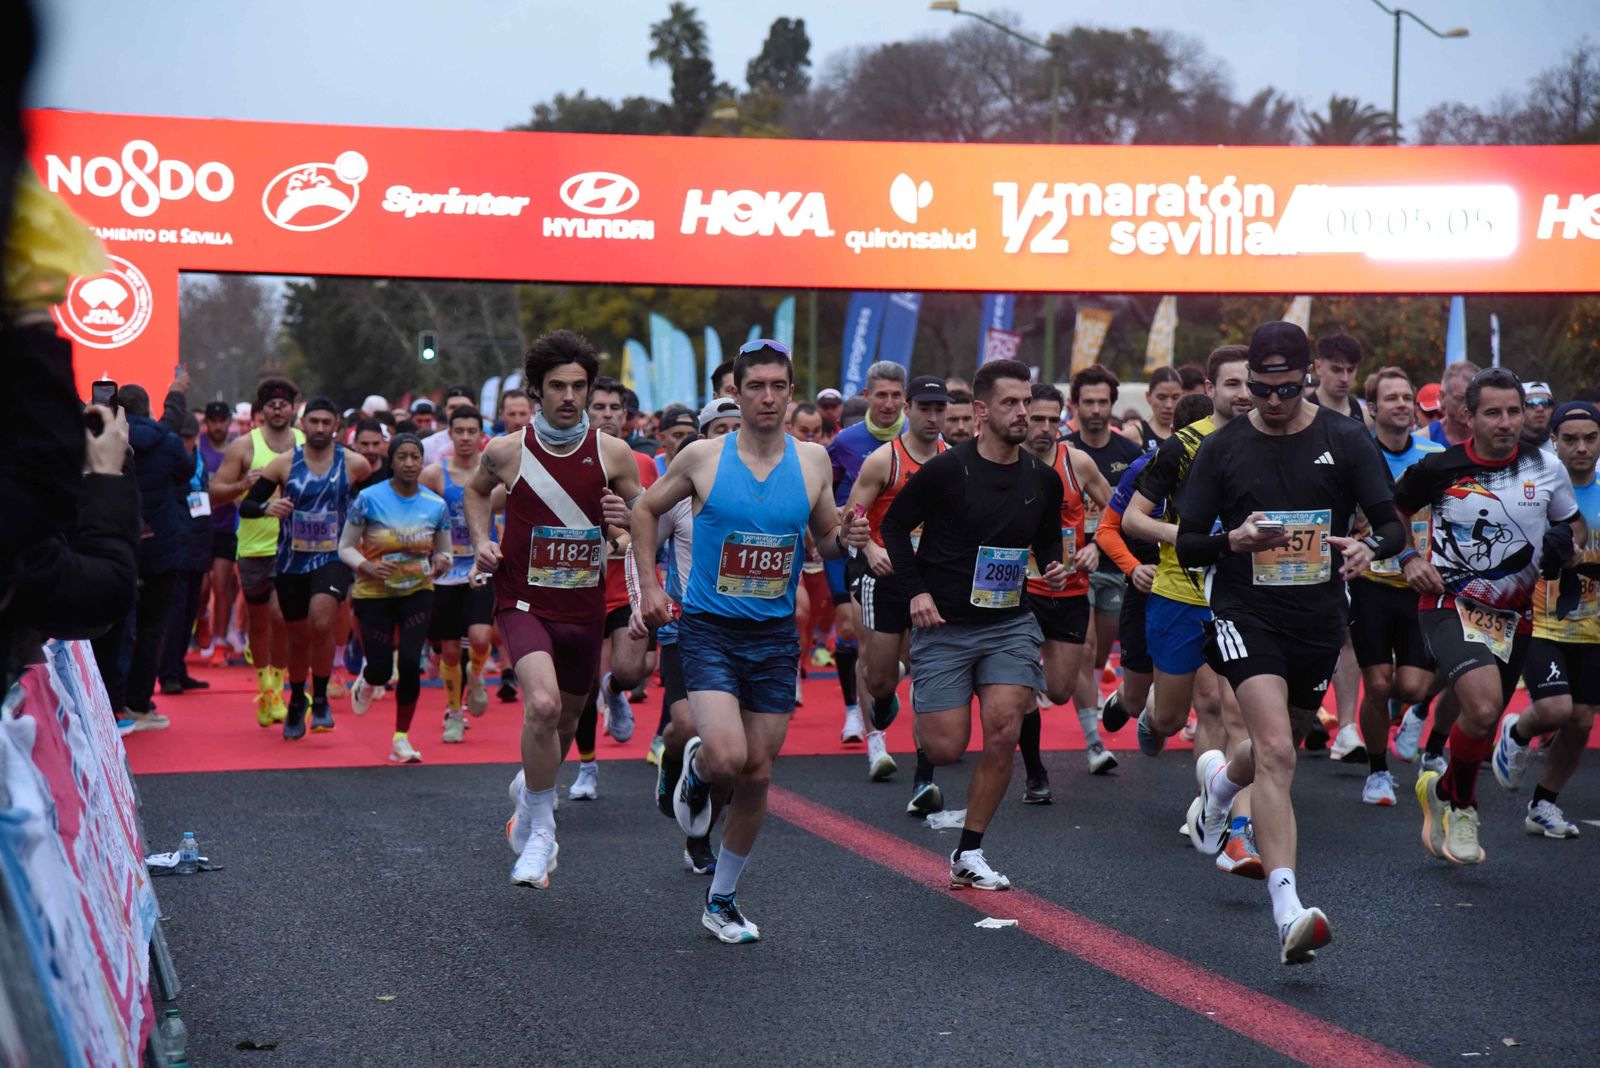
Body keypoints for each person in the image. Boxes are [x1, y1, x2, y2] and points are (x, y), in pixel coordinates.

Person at [1175, 320, 1406, 965]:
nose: (1271, 404)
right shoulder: (1222, 450)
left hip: (1318, 616)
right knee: (1278, 751)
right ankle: (1288, 913)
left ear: (1305, 378)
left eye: (1283, 390)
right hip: (1245, 610)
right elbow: (1188, 541)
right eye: (1259, 391)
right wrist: (1232, 541)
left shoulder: (1345, 438)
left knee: (1284, 738)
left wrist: (1367, 545)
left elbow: (1389, 525)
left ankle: (1217, 791)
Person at [634, 338, 866, 943]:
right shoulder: (702, 458)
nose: (768, 397)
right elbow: (642, 511)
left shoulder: (813, 462)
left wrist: (852, 533)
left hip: (773, 635)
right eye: (755, 386)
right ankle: (698, 768)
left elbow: (829, 542)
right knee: (729, 759)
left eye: (778, 387)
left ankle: (722, 899)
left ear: (792, 394)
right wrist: (650, 588)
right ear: (733, 392)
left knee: (758, 775)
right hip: (708, 629)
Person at [882, 358, 1069, 892]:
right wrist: (915, 591)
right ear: (983, 411)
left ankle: (970, 850)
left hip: (1009, 622)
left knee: (1005, 726)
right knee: (945, 748)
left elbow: (1047, 537)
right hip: (943, 623)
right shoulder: (946, 469)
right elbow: (895, 527)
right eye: (1011, 403)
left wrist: (1052, 564)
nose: (1023, 412)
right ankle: (923, 708)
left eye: (1027, 402)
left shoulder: (1042, 477)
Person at [467, 330, 641, 890]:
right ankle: (540, 831)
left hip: (584, 606)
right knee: (540, 706)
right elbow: (475, 492)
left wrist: (622, 521)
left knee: (565, 720)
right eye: (558, 386)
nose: (569, 396)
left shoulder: (613, 452)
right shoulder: (506, 450)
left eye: (579, 387)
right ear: (537, 391)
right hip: (523, 601)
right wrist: (480, 540)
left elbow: (642, 519)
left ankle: (531, 789)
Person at [1398, 368, 1583, 866]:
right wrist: (1410, 559)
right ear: (1468, 416)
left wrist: (1565, 546)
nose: (1506, 422)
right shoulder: (1440, 467)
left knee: (1482, 723)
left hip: (1515, 614)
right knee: (1480, 709)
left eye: (1513, 412)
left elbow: (1571, 525)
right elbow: (1389, 510)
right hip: (1449, 604)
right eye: (1493, 412)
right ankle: (1462, 807)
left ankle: (1440, 789)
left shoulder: (1546, 467)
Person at [1116, 347, 1253, 759]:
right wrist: (1188, 537)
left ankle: (1212, 814)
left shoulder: (1272, 444)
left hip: (1240, 596)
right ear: (1211, 388)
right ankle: (1150, 714)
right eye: (1233, 383)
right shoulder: (1181, 446)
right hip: (1179, 594)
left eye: (1251, 383)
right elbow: (1132, 519)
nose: (1245, 393)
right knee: (1171, 721)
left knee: (1221, 707)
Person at [630, 397, 742, 876]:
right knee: (689, 727)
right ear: (703, 434)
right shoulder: (681, 492)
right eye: (721, 427)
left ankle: (701, 834)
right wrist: (645, 598)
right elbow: (642, 547)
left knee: (734, 755)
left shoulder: (765, 488)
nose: (731, 435)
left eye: (738, 426)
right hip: (687, 626)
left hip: (748, 629)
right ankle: (671, 760)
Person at [1491, 400, 1600, 839]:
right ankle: (1517, 731)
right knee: (1556, 709)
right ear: (1553, 441)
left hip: (1592, 629)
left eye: (1590, 438)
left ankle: (1543, 805)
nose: (1581, 448)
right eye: (1570, 439)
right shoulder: (1535, 485)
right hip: (1540, 622)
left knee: (1581, 721)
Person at [842, 374, 949, 809]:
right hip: (884, 580)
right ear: (908, 408)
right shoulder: (884, 460)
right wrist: (869, 548)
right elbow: (849, 518)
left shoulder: (954, 460)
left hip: (931, 584)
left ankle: (923, 780)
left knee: (928, 677)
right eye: (925, 408)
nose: (933, 417)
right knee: (881, 678)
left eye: (940, 409)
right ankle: (882, 702)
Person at [241, 397, 371, 738]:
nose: (319, 428)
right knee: (297, 636)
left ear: (336, 428)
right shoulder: (284, 464)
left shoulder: (355, 464)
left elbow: (372, 503)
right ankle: (299, 699)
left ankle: (323, 697)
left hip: (333, 556)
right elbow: (249, 505)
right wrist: (268, 508)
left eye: (326, 423)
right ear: (303, 424)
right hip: (291, 560)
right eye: (313, 422)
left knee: (322, 618)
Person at [1348, 368, 1444, 806]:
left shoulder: (1433, 453)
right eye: (1392, 399)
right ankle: (1377, 771)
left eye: (1407, 397)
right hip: (1370, 583)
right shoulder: (1357, 455)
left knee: (1412, 686)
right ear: (1372, 408)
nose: (1403, 405)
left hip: (1420, 584)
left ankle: (1414, 717)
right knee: (1379, 684)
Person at [337, 434, 451, 761]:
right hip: (374, 594)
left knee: (410, 663)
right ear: (391, 460)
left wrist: (442, 564)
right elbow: (345, 546)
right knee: (382, 668)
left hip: (418, 592)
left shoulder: (435, 504)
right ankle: (369, 680)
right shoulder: (369, 499)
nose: (410, 463)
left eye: (416, 457)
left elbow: (444, 552)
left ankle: (401, 738)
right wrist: (367, 568)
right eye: (402, 457)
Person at [571, 375, 658, 798]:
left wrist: (629, 541)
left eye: (613, 409)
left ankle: (616, 691)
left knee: (630, 670)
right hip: (578, 588)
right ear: (586, 414)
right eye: (598, 408)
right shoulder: (566, 458)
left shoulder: (642, 464)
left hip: (624, 587)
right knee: (582, 687)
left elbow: (651, 520)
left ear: (626, 417)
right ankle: (587, 768)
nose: (606, 415)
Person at [1023, 383, 1113, 791]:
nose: (1044, 428)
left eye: (1051, 420)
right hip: (1017, 592)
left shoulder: (1077, 463)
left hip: (1070, 589)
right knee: (1020, 682)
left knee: (1059, 690)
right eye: (1035, 419)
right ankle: (1035, 772)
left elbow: (1116, 513)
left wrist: (1096, 545)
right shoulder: (1001, 462)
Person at [210, 377, 303, 726]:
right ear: (261, 410)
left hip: (297, 548)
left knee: (283, 618)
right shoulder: (244, 447)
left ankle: (278, 690)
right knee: (261, 624)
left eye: (283, 403)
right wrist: (243, 485)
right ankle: (266, 689)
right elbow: (216, 491)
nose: (277, 408)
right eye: (270, 403)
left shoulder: (308, 443)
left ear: (292, 408)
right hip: (253, 545)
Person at [827, 361, 908, 744]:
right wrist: (836, 522)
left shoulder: (919, 435)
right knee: (859, 637)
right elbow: (826, 490)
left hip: (913, 561)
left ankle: (887, 684)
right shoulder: (846, 443)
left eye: (896, 395)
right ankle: (871, 738)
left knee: (904, 657)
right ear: (866, 396)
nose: (889, 403)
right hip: (862, 553)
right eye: (881, 395)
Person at [1065, 365, 1143, 734]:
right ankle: (1091, 728)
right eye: (1088, 402)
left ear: (1112, 405)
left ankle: (1094, 687)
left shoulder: (1130, 452)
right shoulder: (1061, 450)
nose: (1095, 409)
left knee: (1099, 651)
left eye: (1102, 402)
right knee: (1084, 645)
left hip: (1114, 562)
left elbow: (1137, 511)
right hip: (1070, 564)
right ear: (1074, 405)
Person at [110, 383, 192, 729]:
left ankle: (112, 703)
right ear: (147, 407)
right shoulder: (169, 442)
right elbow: (187, 472)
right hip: (163, 547)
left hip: (118, 545)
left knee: (115, 627)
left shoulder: (106, 440)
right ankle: (140, 704)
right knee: (152, 628)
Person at [420, 405, 497, 744]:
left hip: (482, 566)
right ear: (449, 434)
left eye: (472, 431)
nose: (465, 437)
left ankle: (476, 675)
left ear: (482, 435)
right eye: (459, 431)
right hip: (446, 570)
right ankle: (454, 713)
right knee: (450, 650)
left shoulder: (494, 473)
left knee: (480, 637)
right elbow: (419, 518)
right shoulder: (435, 474)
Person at [157, 413, 214, 695]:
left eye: (192, 436)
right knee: (175, 615)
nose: (188, 442)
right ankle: (167, 673)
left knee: (190, 612)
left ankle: (179, 668)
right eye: (184, 437)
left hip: (199, 542)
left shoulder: (199, 460)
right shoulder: (168, 462)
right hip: (177, 544)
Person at [198, 400, 240, 666]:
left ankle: (221, 642)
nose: (217, 426)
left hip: (226, 527)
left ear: (229, 422)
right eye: (213, 421)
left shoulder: (238, 448)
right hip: (200, 526)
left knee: (222, 585)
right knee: (201, 588)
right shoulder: (198, 445)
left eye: (222, 420)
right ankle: (201, 618)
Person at [1307, 333, 1365, 421]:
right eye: (1336, 370)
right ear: (1318, 367)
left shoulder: (1365, 416)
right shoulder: (1303, 413)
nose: (1344, 378)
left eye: (1350, 370)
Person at [1122, 366, 1181, 452]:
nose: (1169, 405)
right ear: (1148, 396)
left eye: (1175, 397)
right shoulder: (1132, 435)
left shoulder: (1190, 433)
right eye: (1161, 397)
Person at [1425, 360, 1482, 447]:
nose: (1468, 406)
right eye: (1461, 399)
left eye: (1474, 398)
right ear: (1442, 398)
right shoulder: (1424, 440)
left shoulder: (1492, 438)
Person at [422, 386, 477, 465]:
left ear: (476, 409)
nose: (458, 412)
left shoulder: (489, 445)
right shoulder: (428, 445)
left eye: (464, 407)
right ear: (444, 410)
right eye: (452, 407)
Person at [1520, 381, 1555, 451]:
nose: (1540, 409)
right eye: (1531, 402)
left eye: (1546, 403)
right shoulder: (1508, 446)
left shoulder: (1561, 446)